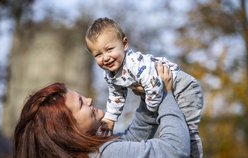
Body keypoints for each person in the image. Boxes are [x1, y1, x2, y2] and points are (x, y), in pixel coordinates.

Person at [13, 63, 191, 158]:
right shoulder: (102, 154)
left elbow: (132, 141)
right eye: (81, 103)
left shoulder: (92, 152)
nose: (89, 100)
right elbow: (175, 150)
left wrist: (150, 98)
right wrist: (166, 95)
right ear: (67, 129)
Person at [85, 17, 204, 157]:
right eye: (98, 54)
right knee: (179, 131)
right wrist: (110, 118)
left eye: (109, 49)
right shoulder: (110, 74)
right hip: (164, 90)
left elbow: (153, 84)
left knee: (187, 132)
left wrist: (154, 106)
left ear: (124, 44)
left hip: (181, 86)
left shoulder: (134, 64)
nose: (105, 58)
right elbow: (116, 96)